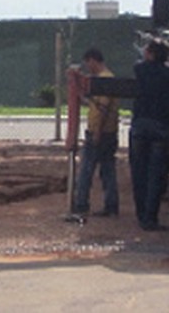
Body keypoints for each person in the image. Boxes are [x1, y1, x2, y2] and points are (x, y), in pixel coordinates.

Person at [130, 39, 169, 231]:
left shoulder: (140, 69)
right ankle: (151, 217)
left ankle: (141, 214)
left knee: (139, 173)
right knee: (156, 175)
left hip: (141, 125)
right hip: (161, 126)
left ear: (150, 53)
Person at [66, 48, 120, 221]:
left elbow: (103, 109)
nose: (87, 68)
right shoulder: (104, 80)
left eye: (87, 63)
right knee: (107, 170)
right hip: (108, 132)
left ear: (92, 60)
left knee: (87, 170)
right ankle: (111, 205)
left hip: (101, 132)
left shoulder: (105, 81)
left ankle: (81, 204)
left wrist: (97, 132)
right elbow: (95, 104)